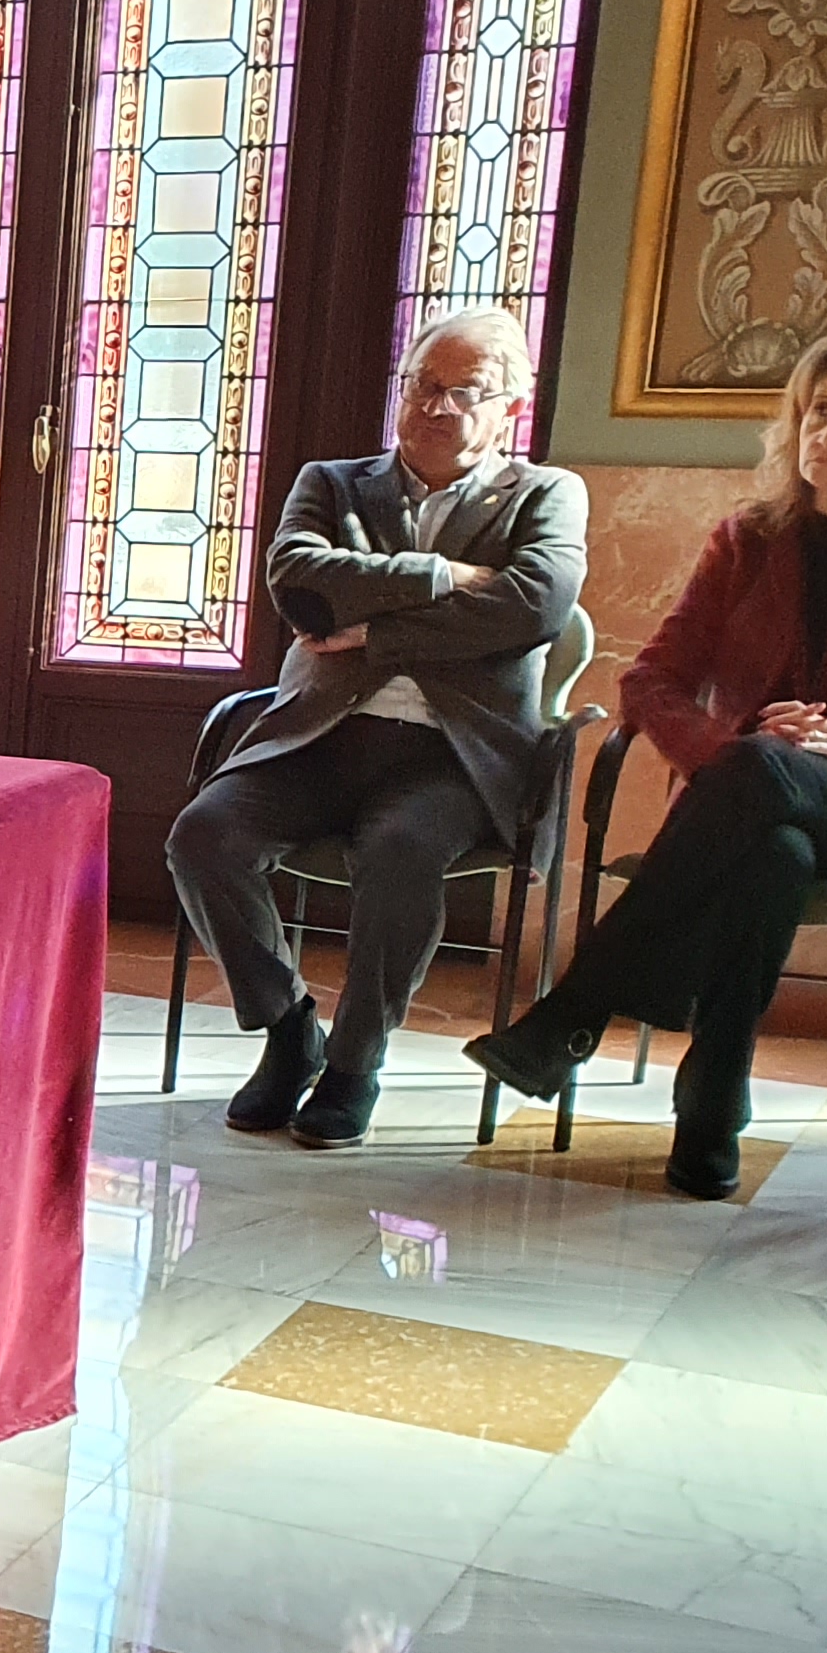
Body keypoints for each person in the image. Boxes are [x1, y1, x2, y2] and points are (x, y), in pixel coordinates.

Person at [469, 321, 827, 1198]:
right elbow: (652, 681)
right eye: (820, 409)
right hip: (756, 805)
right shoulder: (750, 538)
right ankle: (712, 1106)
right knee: (774, 851)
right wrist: (733, 752)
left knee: (762, 784)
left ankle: (574, 1012)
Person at [166, 307, 585, 1147]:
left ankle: (355, 1064)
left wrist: (376, 633)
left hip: (453, 756)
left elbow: (534, 605)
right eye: (422, 384)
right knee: (203, 837)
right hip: (319, 736)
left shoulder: (545, 494)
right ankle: (290, 1030)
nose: (435, 406)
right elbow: (298, 581)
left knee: (400, 853)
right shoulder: (333, 483)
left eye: (464, 391)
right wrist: (445, 575)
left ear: (512, 406)